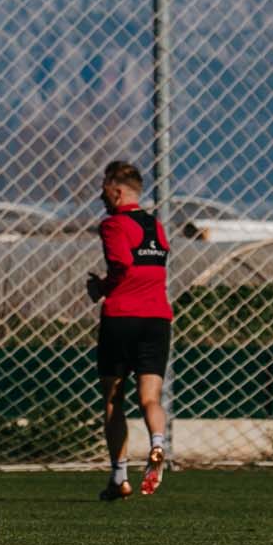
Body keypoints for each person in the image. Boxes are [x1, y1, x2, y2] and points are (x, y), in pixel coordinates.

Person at [85, 160, 172, 500]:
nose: (100, 196)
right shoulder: (156, 226)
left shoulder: (113, 225)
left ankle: (119, 477)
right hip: (157, 319)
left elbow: (122, 265)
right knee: (150, 397)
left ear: (118, 192)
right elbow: (154, 269)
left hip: (122, 317)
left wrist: (102, 288)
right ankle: (158, 444)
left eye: (104, 189)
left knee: (113, 400)